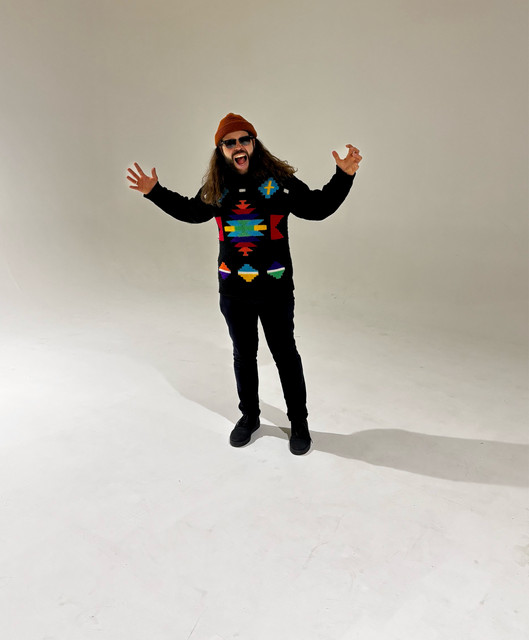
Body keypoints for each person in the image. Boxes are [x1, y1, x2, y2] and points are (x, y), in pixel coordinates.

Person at [127, 113, 362, 455]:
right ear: (221, 150)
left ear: (254, 143)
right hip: (233, 292)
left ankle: (299, 422)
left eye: (244, 139)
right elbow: (192, 211)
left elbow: (317, 207)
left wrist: (343, 176)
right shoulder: (217, 189)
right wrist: (155, 192)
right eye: (230, 142)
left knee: (285, 355)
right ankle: (249, 416)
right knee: (244, 354)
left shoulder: (278, 183)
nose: (238, 146)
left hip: (276, 289)